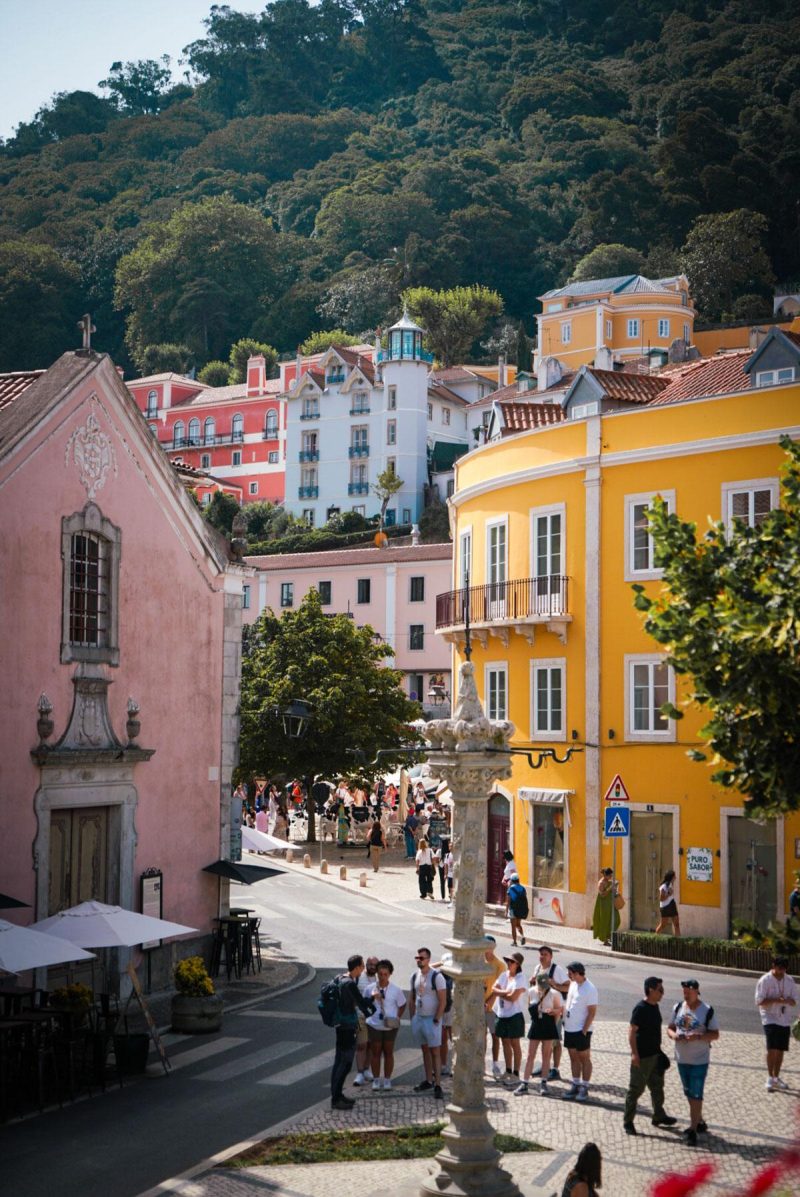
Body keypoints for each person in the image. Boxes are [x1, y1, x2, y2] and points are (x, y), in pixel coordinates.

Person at [666, 979, 720, 1145]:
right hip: (681, 1058)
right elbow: (670, 1028)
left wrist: (698, 1036)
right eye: (684, 993)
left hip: (699, 1060)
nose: (686, 996)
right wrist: (674, 1036)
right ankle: (700, 1120)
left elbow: (715, 1034)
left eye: (688, 993)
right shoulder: (678, 1007)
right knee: (689, 1092)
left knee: (696, 1094)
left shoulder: (707, 1010)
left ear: (697, 991)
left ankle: (693, 1130)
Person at [623, 976, 677, 1134]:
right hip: (642, 1057)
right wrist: (634, 1054)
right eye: (660, 990)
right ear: (651, 990)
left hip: (655, 1055)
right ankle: (628, 1121)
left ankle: (658, 1115)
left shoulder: (655, 1006)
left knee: (657, 1087)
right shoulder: (640, 1008)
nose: (662, 993)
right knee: (635, 1090)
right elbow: (632, 1031)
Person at [329, 955, 375, 1110]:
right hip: (348, 1027)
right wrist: (372, 1001)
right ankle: (336, 1099)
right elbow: (362, 1003)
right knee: (346, 1063)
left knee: (338, 1062)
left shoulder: (341, 978)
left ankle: (337, 1095)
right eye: (362, 966)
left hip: (340, 1026)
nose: (363, 969)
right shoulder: (350, 984)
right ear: (356, 967)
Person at [515, 972, 563, 1096]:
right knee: (531, 1054)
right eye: (541, 984)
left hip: (548, 1024)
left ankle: (543, 1082)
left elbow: (560, 1010)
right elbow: (529, 1007)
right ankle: (524, 1083)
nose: (543, 987)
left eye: (545, 985)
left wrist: (553, 1013)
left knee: (546, 1055)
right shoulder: (531, 992)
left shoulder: (554, 993)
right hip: (536, 1023)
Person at [409, 946, 447, 1099]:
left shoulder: (436, 976)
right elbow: (411, 997)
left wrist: (437, 1018)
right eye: (417, 958)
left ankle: (438, 1084)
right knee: (424, 1050)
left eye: (422, 958)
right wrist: (412, 1017)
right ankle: (428, 1080)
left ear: (428, 959)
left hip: (432, 1019)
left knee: (435, 1051)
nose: (419, 961)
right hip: (419, 1017)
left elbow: (443, 1000)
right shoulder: (414, 976)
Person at [755, 955, 798, 1091]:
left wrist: (790, 1001)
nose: (781, 972)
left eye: (784, 969)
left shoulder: (789, 980)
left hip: (785, 1018)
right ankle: (769, 1077)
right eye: (779, 969)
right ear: (773, 966)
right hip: (769, 1017)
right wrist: (777, 1000)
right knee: (772, 1048)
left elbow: (795, 999)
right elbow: (759, 1002)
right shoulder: (765, 980)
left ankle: (776, 1077)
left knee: (780, 1050)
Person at [365, 958, 406, 1091]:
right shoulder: (369, 988)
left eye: (385, 974)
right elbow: (363, 1004)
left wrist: (397, 1017)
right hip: (374, 1024)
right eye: (380, 974)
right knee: (375, 1052)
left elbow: (402, 1004)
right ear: (376, 973)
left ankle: (387, 1079)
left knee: (388, 1052)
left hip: (390, 1025)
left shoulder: (396, 990)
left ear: (390, 974)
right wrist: (372, 998)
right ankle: (376, 1080)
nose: (383, 977)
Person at [530, 945, 569, 1081]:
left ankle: (555, 1069)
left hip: (554, 1012)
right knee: (543, 1041)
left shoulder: (556, 969)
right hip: (541, 1011)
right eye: (541, 954)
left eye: (545, 954)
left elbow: (568, 985)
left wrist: (554, 985)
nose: (542, 956)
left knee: (555, 1040)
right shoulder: (537, 968)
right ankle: (545, 1066)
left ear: (551, 956)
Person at [562, 962, 598, 1103]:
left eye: (570, 973)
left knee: (584, 1058)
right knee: (573, 1057)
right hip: (570, 1028)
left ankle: (585, 1086)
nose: (568, 975)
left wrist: (584, 1030)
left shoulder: (590, 989)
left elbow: (592, 1012)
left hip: (581, 1030)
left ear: (577, 973)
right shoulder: (573, 984)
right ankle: (576, 1084)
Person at [491, 951, 528, 1082]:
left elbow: (513, 998)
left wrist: (501, 993)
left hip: (514, 1015)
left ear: (517, 964)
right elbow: (493, 989)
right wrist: (505, 992)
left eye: (511, 961)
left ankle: (516, 1074)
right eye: (507, 960)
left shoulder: (521, 978)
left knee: (515, 1044)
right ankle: (508, 1071)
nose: (508, 963)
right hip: (502, 1014)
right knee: (504, 1042)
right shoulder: (504, 975)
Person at [353, 956, 380, 1086]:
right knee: (361, 1044)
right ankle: (359, 1073)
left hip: (374, 1018)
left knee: (371, 1045)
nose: (372, 967)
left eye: (375, 964)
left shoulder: (379, 978)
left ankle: (366, 1069)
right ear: (365, 965)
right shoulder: (359, 977)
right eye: (369, 964)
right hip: (360, 1016)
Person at [483, 935, 505, 1080]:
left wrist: (490, 1001)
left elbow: (500, 986)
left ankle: (495, 1063)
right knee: (481, 1036)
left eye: (487, 946)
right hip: (479, 1004)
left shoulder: (500, 965)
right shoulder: (479, 961)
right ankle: (481, 1064)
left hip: (493, 1006)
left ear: (492, 948)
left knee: (495, 1035)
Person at [591, 868, 619, 946]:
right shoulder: (601, 883)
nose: (611, 877)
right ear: (605, 875)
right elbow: (602, 894)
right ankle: (605, 940)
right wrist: (610, 888)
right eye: (610, 875)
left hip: (610, 903)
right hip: (603, 904)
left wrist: (615, 886)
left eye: (611, 875)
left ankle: (609, 935)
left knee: (617, 919)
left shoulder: (609, 882)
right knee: (605, 921)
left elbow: (613, 891)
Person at [655, 870, 680, 936]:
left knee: (677, 924)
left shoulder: (670, 884)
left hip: (672, 905)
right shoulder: (663, 886)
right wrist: (669, 894)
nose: (675, 877)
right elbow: (661, 899)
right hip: (665, 907)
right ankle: (655, 938)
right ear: (671, 877)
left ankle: (678, 943)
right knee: (663, 925)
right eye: (674, 876)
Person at [506, 873, 528, 946]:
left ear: (512, 880)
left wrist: (506, 910)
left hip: (513, 909)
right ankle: (522, 936)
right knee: (518, 924)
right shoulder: (522, 888)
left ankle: (514, 942)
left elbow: (508, 900)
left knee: (513, 926)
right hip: (521, 909)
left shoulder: (511, 888)